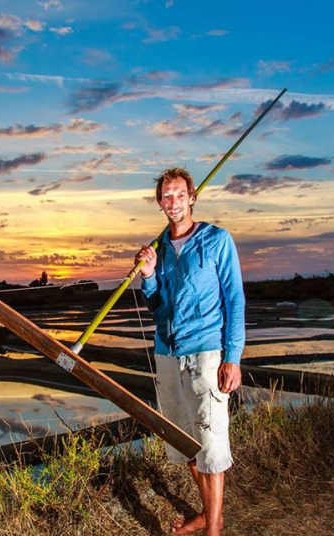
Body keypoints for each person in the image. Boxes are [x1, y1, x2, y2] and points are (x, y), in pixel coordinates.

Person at [135, 167, 245, 536]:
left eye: (179, 194)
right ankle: (210, 515)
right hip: (167, 352)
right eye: (166, 196)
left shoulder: (217, 240)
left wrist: (233, 357)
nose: (173, 202)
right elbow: (158, 305)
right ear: (159, 203)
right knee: (183, 441)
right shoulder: (159, 249)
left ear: (192, 197)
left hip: (207, 352)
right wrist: (149, 275)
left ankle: (213, 528)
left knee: (211, 443)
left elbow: (234, 300)